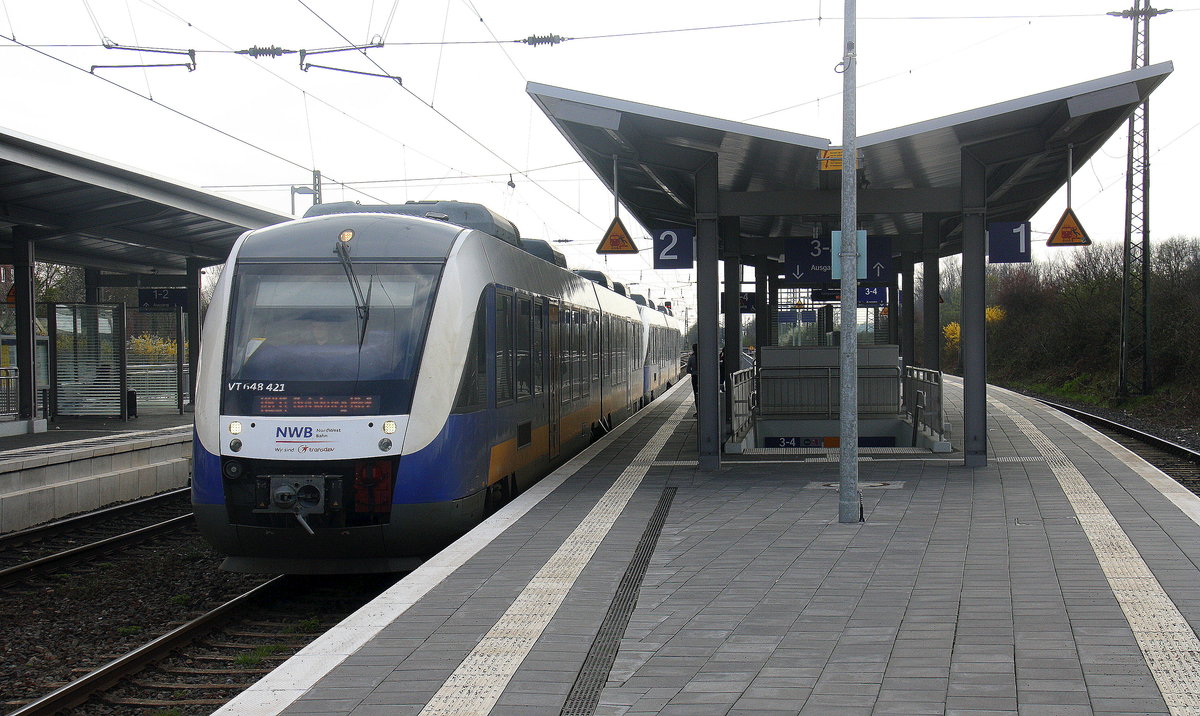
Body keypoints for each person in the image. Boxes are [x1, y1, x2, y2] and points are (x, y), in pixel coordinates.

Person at [686, 343, 698, 414]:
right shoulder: (703, 356)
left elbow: (688, 370)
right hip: (702, 378)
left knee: (696, 394)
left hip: (694, 377)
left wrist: (693, 371)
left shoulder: (691, 357)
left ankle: (697, 410)